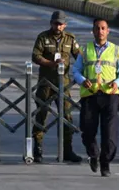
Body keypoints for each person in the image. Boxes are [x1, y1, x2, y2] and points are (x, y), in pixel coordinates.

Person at [70, 18, 119, 177]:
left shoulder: (116, 50)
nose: (100, 31)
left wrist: (118, 82)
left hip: (110, 96)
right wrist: (82, 80)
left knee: (110, 133)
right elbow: (76, 70)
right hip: (90, 95)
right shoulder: (85, 50)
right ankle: (93, 154)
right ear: (93, 31)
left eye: (103, 28)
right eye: (97, 28)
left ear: (108, 31)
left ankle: (105, 163)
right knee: (87, 130)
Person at [30, 10, 82, 163]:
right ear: (51, 23)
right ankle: (37, 149)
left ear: (65, 25)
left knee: (67, 116)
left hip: (63, 84)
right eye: (55, 23)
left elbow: (78, 55)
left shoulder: (70, 38)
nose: (58, 26)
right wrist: (51, 63)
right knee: (41, 114)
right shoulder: (43, 37)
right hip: (45, 83)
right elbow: (35, 56)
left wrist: (86, 64)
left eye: (61, 24)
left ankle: (67, 150)